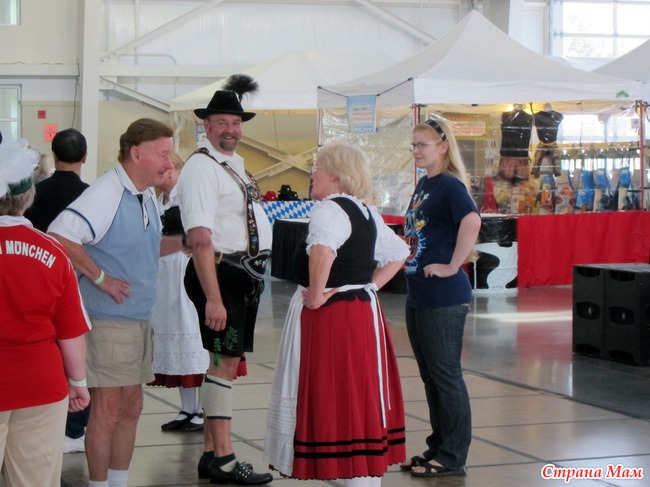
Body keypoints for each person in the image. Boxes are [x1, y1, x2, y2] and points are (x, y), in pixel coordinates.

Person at [264, 141, 409, 487]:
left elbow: (323, 252)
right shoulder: (365, 211)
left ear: (335, 174)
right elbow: (400, 253)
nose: (312, 174)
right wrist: (368, 287)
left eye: (317, 168)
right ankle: (361, 473)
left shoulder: (329, 209)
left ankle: (352, 473)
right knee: (358, 393)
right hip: (361, 313)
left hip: (333, 318)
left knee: (337, 394)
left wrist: (316, 296)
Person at [48, 118, 175, 487]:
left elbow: (143, 247)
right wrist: (100, 278)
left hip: (137, 319)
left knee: (131, 408)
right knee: (109, 410)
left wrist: (187, 243)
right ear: (136, 154)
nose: (168, 163)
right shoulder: (107, 192)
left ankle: (117, 483)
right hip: (109, 322)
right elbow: (59, 236)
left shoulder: (144, 194)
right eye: (162, 154)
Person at [177, 74, 274, 485]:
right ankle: (225, 460)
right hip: (220, 274)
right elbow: (200, 236)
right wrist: (213, 298)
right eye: (222, 122)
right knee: (223, 362)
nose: (230, 129)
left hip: (241, 275)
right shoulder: (202, 167)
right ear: (207, 125)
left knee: (226, 364)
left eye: (236, 122)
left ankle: (209, 455)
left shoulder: (232, 163)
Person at [0, 131, 91, 487]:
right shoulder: (53, 252)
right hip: (41, 385)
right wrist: (79, 382)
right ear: (27, 197)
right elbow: (70, 331)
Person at [400, 117, 481, 478]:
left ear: (443, 147)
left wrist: (452, 264)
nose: (416, 151)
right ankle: (438, 447)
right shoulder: (424, 185)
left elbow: (471, 221)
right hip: (420, 292)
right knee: (431, 377)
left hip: (443, 296)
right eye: (414, 145)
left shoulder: (448, 185)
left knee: (446, 376)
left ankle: (452, 456)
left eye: (423, 145)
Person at [23, 128, 92, 453]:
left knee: (46, 352)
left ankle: (43, 420)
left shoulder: (35, 194)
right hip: (79, 283)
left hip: (35, 282)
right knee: (77, 353)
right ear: (85, 157)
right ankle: (76, 425)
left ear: (54, 154)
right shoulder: (91, 197)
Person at [148, 151, 209, 432]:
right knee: (175, 337)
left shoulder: (188, 195)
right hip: (164, 273)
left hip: (185, 268)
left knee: (191, 333)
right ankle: (188, 408)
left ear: (173, 168)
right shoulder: (156, 199)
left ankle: (203, 408)